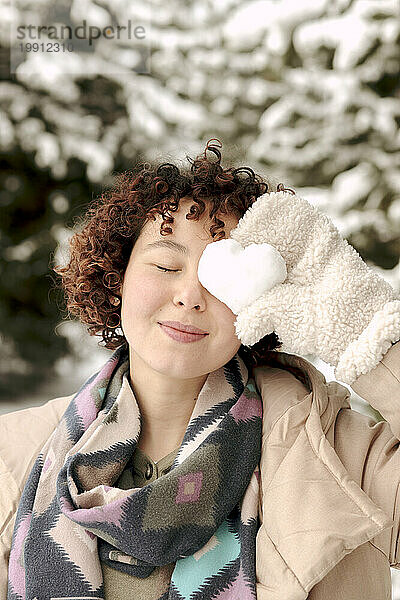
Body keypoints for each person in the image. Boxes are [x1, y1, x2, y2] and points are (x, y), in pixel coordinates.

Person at [1, 139, 399, 600]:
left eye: (220, 275)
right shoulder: (16, 456)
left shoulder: (339, 455)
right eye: (166, 263)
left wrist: (365, 329)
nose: (191, 295)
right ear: (117, 278)